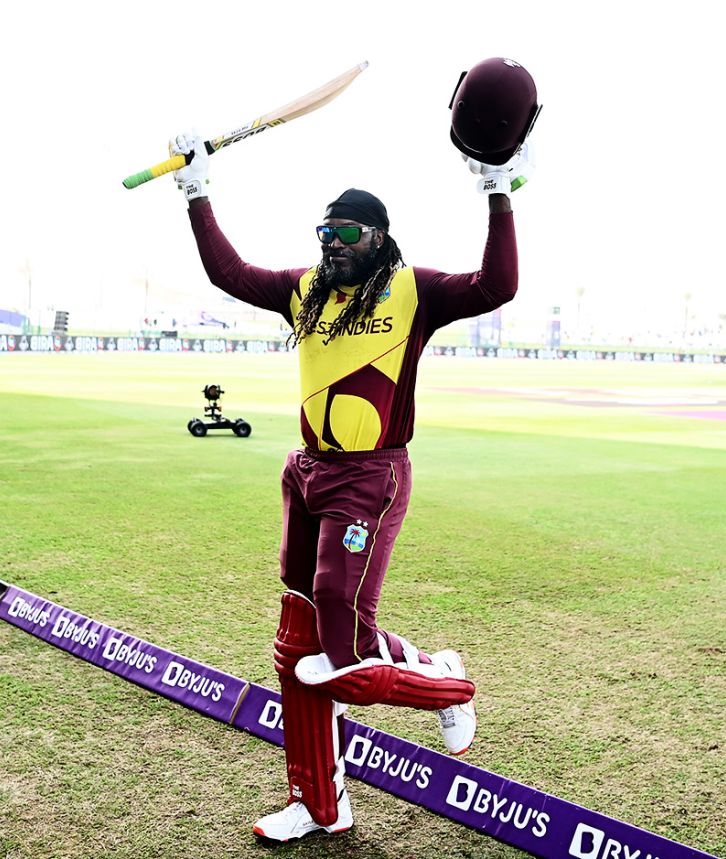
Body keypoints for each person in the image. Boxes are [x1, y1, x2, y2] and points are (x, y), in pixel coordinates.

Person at [169, 60, 537, 843]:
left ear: (379, 239)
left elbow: (499, 285)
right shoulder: (306, 291)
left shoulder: (415, 290)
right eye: (323, 233)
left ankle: (450, 685)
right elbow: (230, 273)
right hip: (305, 473)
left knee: (337, 656)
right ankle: (319, 804)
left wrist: (496, 187)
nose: (330, 245)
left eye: (345, 234)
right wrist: (198, 193)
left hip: (369, 478)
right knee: (294, 648)